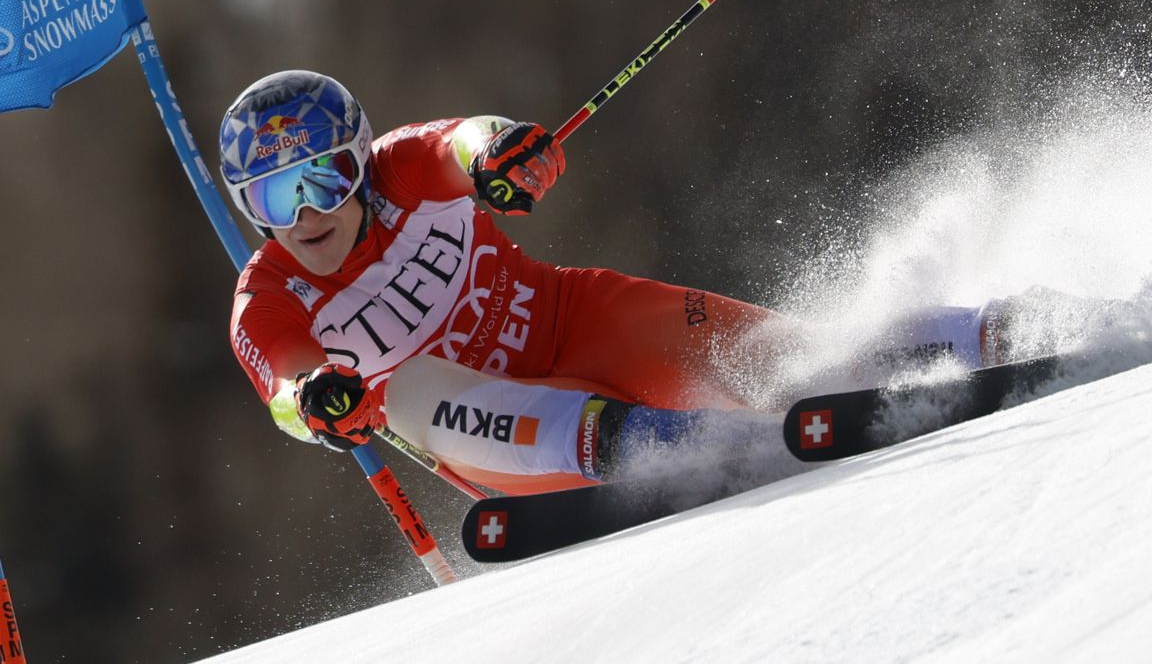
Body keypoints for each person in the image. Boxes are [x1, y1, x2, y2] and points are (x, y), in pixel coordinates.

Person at [220, 70, 1011, 494]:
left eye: (324, 178)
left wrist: (500, 154)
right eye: (274, 198)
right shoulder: (267, 296)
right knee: (410, 393)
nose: (306, 214)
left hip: (575, 320)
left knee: (789, 358)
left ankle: (987, 335)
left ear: (361, 164)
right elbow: (285, 387)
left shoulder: (400, 170)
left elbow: (461, 141)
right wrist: (317, 399)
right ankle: (678, 445)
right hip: (507, 438)